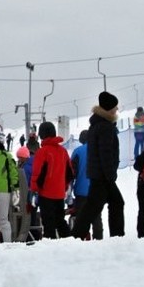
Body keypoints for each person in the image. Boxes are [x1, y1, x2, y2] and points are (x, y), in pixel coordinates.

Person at [73, 91, 125, 239]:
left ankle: (76, 234)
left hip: (98, 174)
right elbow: (106, 153)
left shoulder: (97, 125)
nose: (116, 110)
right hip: (103, 176)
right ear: (109, 109)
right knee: (110, 204)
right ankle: (116, 236)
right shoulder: (105, 127)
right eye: (115, 107)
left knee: (94, 206)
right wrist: (110, 174)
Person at [30, 121, 73, 239]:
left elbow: (37, 173)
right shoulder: (63, 151)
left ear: (42, 134)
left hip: (46, 193)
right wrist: (64, 187)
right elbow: (70, 172)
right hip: (59, 193)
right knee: (60, 221)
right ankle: (70, 242)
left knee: (48, 223)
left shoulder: (42, 152)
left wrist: (34, 189)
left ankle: (50, 246)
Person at [68, 130, 103, 240]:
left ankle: (82, 239)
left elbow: (72, 174)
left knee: (82, 219)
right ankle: (98, 240)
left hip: (81, 192)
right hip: (96, 191)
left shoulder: (77, 152)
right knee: (96, 218)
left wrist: (69, 192)